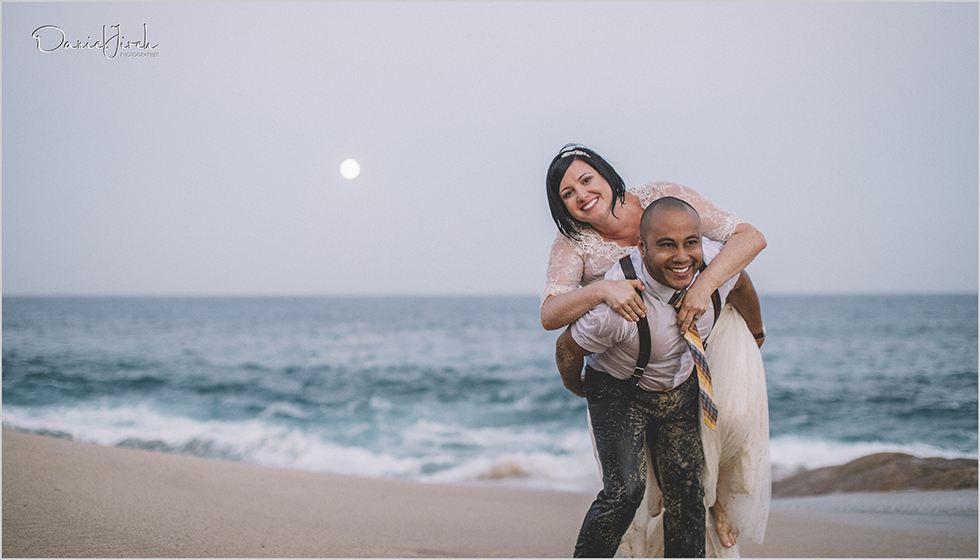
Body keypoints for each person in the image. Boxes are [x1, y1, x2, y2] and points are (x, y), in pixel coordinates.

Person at [541, 144, 769, 556]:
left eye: (586, 180)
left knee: (718, 435)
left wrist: (705, 287)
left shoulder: (663, 199)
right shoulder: (575, 244)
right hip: (622, 354)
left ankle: (715, 503)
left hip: (694, 336)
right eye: (567, 194)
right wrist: (601, 291)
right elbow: (554, 319)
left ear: (606, 175)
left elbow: (748, 243)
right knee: (627, 490)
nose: (581, 195)